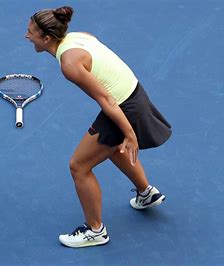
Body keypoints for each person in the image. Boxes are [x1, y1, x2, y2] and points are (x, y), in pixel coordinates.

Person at [25, 6, 171, 248]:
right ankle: (146, 193)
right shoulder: (79, 36)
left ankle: (95, 231)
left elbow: (107, 100)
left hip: (123, 106)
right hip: (135, 93)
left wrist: (130, 133)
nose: (26, 36)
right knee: (110, 146)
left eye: (30, 32)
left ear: (47, 38)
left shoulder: (69, 65)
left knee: (79, 166)